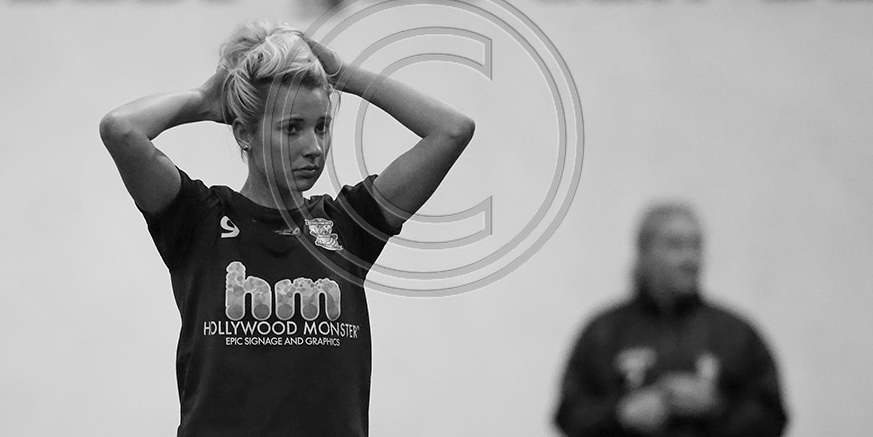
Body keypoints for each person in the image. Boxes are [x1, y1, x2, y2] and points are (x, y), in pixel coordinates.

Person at [99, 21, 474, 437]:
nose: (313, 147)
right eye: (291, 128)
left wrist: (345, 76)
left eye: (322, 126)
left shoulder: (349, 226)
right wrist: (204, 102)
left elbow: (452, 130)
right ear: (244, 133)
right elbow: (121, 130)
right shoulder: (197, 220)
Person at [554, 203, 788, 437]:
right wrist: (620, 414)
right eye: (675, 246)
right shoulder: (604, 332)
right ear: (644, 252)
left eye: (696, 246)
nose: (690, 259)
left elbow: (773, 419)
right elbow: (569, 416)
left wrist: (716, 408)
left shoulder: (735, 333)